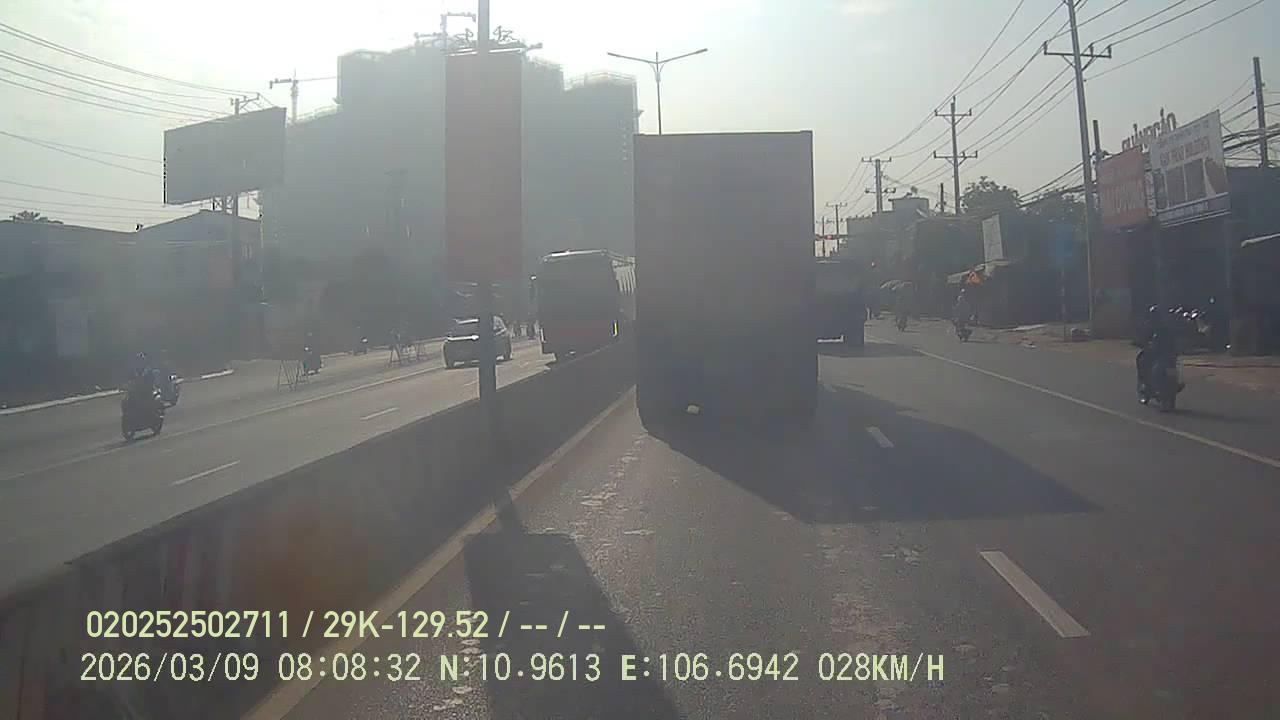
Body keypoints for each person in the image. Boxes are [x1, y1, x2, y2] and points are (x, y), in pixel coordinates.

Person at [1136, 305, 1178, 395]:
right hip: (1165, 353)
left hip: (1160, 354)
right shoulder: (1160, 326)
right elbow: (1143, 338)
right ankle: (1147, 384)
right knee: (1142, 361)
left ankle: (1151, 385)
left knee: (1146, 363)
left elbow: (1143, 338)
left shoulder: (1156, 327)